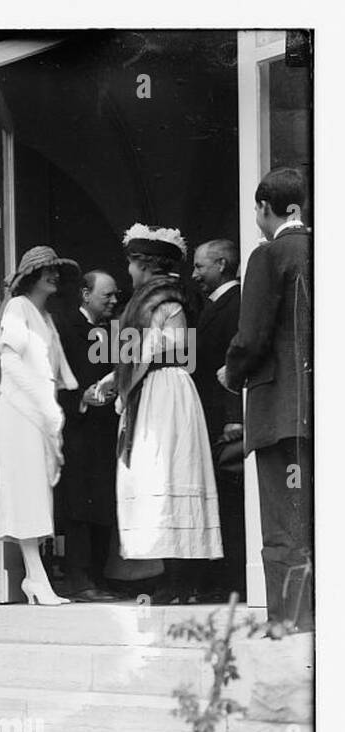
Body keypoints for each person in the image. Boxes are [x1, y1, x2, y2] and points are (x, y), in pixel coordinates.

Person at [109, 224, 223, 601]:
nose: (128, 271)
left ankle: (178, 581)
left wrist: (125, 383)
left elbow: (165, 347)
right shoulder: (152, 299)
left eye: (132, 263)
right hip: (155, 387)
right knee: (156, 474)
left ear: (145, 264)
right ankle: (170, 579)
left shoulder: (163, 300)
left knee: (167, 471)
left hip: (165, 390)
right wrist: (116, 380)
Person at [221, 167, 312, 630]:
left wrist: (230, 372)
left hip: (281, 413)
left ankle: (292, 627)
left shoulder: (269, 256)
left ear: (264, 209)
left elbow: (251, 337)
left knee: (284, 525)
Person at [0, 247, 81, 605]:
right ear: (30, 274)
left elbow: (57, 374)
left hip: (41, 414)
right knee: (27, 493)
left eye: (56, 270)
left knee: (39, 493)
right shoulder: (18, 308)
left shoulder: (44, 316)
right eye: (46, 270)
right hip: (19, 411)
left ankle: (36, 577)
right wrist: (43, 403)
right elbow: (10, 360)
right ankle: (37, 578)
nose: (53, 275)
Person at [54, 269, 122, 602]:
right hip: (77, 429)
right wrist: (80, 398)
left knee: (104, 502)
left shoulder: (114, 332)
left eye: (114, 295)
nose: (113, 300)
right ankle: (79, 580)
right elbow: (50, 379)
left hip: (106, 429)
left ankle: (98, 577)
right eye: (106, 294)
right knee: (78, 504)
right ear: (85, 295)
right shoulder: (64, 328)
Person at [192, 239, 246, 601]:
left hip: (226, 419)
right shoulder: (213, 304)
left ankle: (235, 582)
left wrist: (232, 416)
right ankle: (224, 581)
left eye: (200, 266)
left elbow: (236, 358)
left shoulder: (237, 303)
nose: (194, 274)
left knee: (230, 499)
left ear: (222, 265)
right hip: (210, 417)